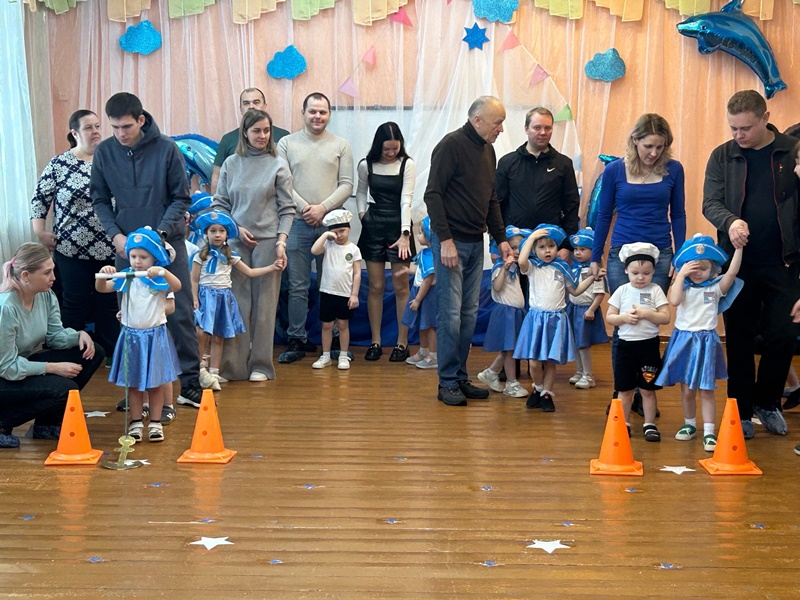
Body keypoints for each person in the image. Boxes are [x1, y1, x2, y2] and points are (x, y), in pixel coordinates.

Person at [90, 92, 201, 417]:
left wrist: (159, 235)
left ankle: (189, 382)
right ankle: (138, 389)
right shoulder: (105, 152)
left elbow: (181, 198)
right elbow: (99, 199)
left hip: (166, 244)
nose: (120, 133)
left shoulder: (167, 148)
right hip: (127, 247)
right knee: (133, 316)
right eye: (114, 127)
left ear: (141, 120)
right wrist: (116, 235)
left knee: (177, 312)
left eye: (126, 126)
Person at [703, 91, 800, 440]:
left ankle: (768, 402)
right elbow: (710, 203)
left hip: (784, 262)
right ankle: (741, 410)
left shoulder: (791, 151)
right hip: (737, 265)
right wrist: (730, 222)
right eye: (733, 128)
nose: (738, 135)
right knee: (739, 338)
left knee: (783, 334)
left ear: (765, 118)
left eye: (745, 128)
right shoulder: (723, 155)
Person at [590, 113, 685, 413]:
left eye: (660, 146)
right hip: (622, 255)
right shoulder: (615, 170)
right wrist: (595, 256)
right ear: (635, 141)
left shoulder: (673, 169)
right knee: (624, 324)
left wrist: (680, 256)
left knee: (649, 324)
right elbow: (604, 215)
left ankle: (644, 393)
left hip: (661, 254)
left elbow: (678, 214)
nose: (654, 153)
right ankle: (622, 393)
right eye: (648, 146)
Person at [424, 96, 512, 406]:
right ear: (477, 120)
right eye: (497, 123)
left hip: (476, 242)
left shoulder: (488, 150)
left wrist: (500, 238)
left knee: (468, 314)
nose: (501, 129)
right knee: (450, 314)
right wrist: (445, 240)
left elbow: (491, 199)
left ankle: (460, 376)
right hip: (452, 243)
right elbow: (433, 195)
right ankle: (447, 381)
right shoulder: (451, 145)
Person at [211, 109, 294, 381]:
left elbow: (287, 209)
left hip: (268, 242)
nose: (262, 135)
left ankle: (261, 365)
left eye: (266, 130)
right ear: (244, 133)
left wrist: (281, 242)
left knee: (265, 306)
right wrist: (235, 229)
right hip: (235, 242)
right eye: (256, 130)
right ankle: (232, 367)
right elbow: (220, 204)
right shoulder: (231, 164)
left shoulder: (278, 164)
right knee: (236, 304)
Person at [30, 109, 119, 360]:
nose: (96, 132)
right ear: (75, 133)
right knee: (74, 301)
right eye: (89, 127)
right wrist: (40, 231)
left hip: (109, 248)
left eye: (98, 126)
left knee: (108, 302)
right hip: (70, 249)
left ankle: (110, 355)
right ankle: (70, 354)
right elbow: (39, 199)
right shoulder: (59, 164)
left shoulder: (112, 161)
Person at [0, 243, 104, 449]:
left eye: (53, 270)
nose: (54, 277)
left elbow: (55, 336)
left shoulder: (46, 295)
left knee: (93, 352)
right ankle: (3, 422)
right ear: (26, 275)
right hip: (5, 373)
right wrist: (51, 367)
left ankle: (46, 424)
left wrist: (79, 335)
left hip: (18, 365)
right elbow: (7, 367)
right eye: (47, 272)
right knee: (66, 389)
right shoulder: (6, 308)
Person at [277, 92, 354, 363]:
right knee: (297, 286)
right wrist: (306, 209)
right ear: (303, 113)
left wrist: (323, 208)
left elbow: (347, 184)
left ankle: (334, 340)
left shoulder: (341, 145)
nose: (317, 116)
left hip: (332, 227)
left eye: (322, 112)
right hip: (297, 223)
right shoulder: (286, 143)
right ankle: (296, 339)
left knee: (333, 284)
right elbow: (283, 183)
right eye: (312, 111)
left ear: (329, 114)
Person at [656, 235, 743, 453]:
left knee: (706, 390)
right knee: (687, 390)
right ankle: (689, 424)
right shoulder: (683, 288)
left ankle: (709, 432)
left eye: (703, 269)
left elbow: (732, 273)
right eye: (693, 268)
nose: (697, 273)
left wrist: (739, 250)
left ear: (713, 270)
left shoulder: (715, 288)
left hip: (706, 341)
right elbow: (674, 300)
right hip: (684, 340)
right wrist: (680, 275)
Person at [96, 228, 180, 443]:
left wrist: (162, 272)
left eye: (143, 257)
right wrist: (104, 273)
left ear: (154, 258)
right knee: (133, 384)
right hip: (131, 337)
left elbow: (177, 286)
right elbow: (101, 288)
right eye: (133, 256)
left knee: (155, 384)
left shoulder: (159, 279)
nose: (137, 261)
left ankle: (155, 423)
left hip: (154, 337)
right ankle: (135, 422)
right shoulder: (128, 277)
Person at [513, 225, 604, 412]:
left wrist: (592, 278)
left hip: (556, 319)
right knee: (534, 363)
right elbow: (521, 260)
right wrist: (532, 238)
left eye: (551, 246)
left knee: (550, 362)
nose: (547, 251)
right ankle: (538, 388)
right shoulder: (532, 267)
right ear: (534, 250)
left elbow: (575, 291)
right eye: (542, 247)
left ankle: (547, 393)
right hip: (536, 319)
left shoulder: (562, 268)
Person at [191, 211, 285, 388]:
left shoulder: (230, 256)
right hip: (205, 297)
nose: (217, 235)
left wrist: (272, 267)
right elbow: (194, 279)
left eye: (221, 231)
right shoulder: (200, 256)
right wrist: (195, 298)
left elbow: (250, 272)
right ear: (206, 234)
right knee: (201, 333)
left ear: (227, 235)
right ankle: (198, 369)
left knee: (219, 336)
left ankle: (214, 373)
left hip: (223, 297)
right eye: (212, 231)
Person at [356, 122, 415, 363]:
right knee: (376, 286)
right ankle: (376, 342)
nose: (390, 153)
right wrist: (362, 215)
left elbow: (406, 200)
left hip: (399, 226)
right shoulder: (366, 164)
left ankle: (402, 343)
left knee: (401, 285)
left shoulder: (407, 164)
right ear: (378, 146)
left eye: (395, 148)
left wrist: (405, 233)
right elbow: (361, 192)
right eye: (386, 149)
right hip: (374, 224)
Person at [605, 243, 671, 442]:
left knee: (647, 389)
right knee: (624, 390)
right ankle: (623, 424)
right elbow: (610, 317)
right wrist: (624, 318)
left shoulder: (656, 290)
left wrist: (647, 314)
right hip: (626, 347)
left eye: (646, 273)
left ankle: (649, 424)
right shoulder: (622, 291)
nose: (641, 277)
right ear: (626, 270)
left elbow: (665, 317)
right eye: (635, 273)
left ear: (653, 272)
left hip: (648, 347)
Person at [495, 107, 579, 258]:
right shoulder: (507, 163)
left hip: (550, 247)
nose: (543, 132)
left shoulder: (563, 164)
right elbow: (496, 205)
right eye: (537, 127)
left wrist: (567, 246)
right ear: (526, 128)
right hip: (515, 245)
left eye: (547, 128)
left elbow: (571, 207)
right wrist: (496, 243)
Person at [477, 226, 528, 398]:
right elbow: (497, 287)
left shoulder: (516, 267)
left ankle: (491, 373)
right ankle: (511, 383)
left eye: (519, 247)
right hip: (506, 312)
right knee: (510, 349)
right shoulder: (500, 266)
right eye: (512, 247)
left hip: (515, 312)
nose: (516, 251)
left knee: (509, 349)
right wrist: (504, 269)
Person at [211, 87, 290, 194]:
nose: (251, 106)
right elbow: (217, 176)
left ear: (265, 106)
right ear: (241, 109)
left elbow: (290, 175)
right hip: (237, 201)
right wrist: (216, 202)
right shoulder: (228, 139)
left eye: (256, 102)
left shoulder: (283, 136)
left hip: (274, 200)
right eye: (246, 103)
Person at [309, 210, 361, 370]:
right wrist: (326, 235)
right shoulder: (328, 246)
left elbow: (357, 273)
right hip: (327, 292)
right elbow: (314, 250)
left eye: (342, 231)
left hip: (345, 294)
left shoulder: (353, 249)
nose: (339, 235)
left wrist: (354, 295)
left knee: (343, 325)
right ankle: (325, 356)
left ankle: (343, 355)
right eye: (335, 232)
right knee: (326, 325)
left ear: (349, 229)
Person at [566, 227, 608, 390]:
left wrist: (591, 309)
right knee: (576, 343)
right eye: (576, 249)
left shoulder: (595, 271)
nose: (577, 253)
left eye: (582, 249)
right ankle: (579, 370)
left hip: (585, 311)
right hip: (573, 309)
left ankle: (588, 375)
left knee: (583, 345)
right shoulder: (574, 269)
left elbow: (600, 293)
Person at [401, 218, 438, 370]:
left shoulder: (432, 255)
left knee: (430, 325)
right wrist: (408, 271)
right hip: (420, 291)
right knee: (422, 324)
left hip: (427, 294)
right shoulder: (425, 253)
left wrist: (417, 299)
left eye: (421, 233)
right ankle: (424, 351)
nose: (417, 236)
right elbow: (421, 271)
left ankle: (434, 356)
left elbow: (428, 280)